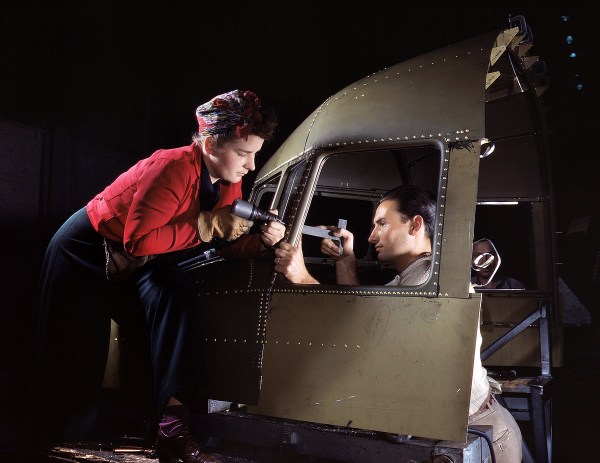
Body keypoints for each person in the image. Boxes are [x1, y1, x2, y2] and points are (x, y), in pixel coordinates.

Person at [31, 90, 286, 463]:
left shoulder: (229, 180)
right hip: (85, 251)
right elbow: (137, 242)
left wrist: (261, 242)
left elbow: (222, 245)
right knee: (76, 351)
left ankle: (171, 429)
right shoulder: (171, 166)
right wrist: (208, 225)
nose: (251, 165)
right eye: (243, 153)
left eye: (255, 154)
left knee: (174, 294)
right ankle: (50, 443)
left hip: (141, 258)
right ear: (210, 144)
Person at [273, 185, 523, 463]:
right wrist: (345, 260)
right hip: (467, 429)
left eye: (382, 224)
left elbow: (364, 334)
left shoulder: (431, 281)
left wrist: (302, 278)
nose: (372, 237)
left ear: (415, 225)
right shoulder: (412, 277)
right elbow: (364, 314)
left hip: (477, 435)